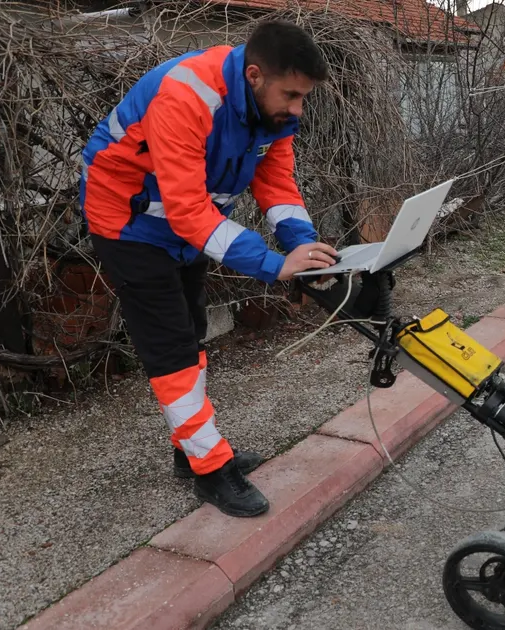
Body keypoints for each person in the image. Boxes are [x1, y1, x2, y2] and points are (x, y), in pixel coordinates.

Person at [79, 21, 339, 517]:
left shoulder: (268, 109)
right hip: (126, 225)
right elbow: (187, 209)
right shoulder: (185, 96)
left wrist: (304, 249)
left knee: (193, 331)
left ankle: (190, 448)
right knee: (172, 348)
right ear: (256, 74)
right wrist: (271, 265)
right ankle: (211, 468)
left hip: (182, 228)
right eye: (291, 95)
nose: (297, 109)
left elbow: (277, 182)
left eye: (304, 98)